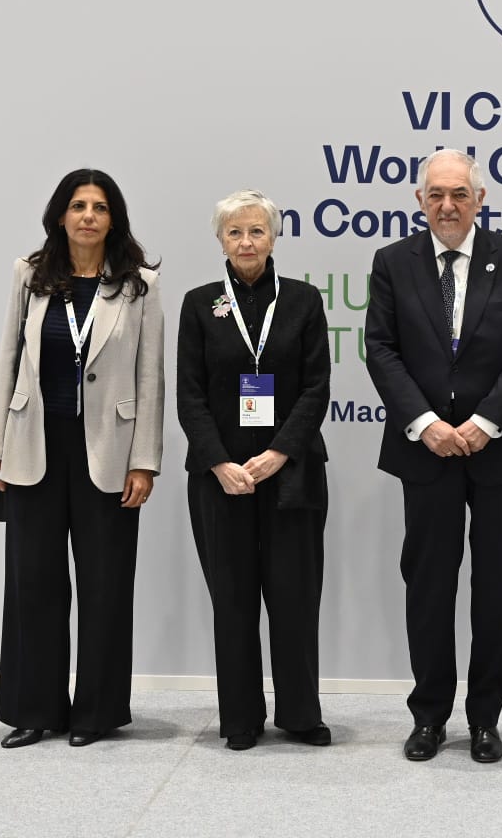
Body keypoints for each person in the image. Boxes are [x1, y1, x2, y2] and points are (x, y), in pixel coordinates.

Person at [363, 149, 502, 764]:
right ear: (420, 200)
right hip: (427, 452)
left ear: (480, 198)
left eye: (459, 195)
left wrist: (482, 422)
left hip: (499, 450)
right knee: (429, 585)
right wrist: (425, 424)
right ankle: (430, 715)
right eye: (436, 195)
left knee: (496, 588)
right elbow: (381, 349)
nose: (447, 206)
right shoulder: (393, 262)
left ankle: (486, 719)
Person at [0, 168, 164, 749]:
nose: (88, 215)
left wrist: (145, 461)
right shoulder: (30, 276)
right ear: (60, 215)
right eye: (78, 205)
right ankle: (34, 710)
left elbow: (150, 376)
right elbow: (7, 358)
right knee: (33, 582)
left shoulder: (140, 285)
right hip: (33, 447)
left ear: (114, 220)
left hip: (109, 454)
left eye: (100, 207)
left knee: (106, 584)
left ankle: (96, 714)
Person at [176, 190, 332, 752]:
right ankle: (240, 717)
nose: (246, 242)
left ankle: (300, 714)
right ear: (220, 240)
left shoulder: (303, 300)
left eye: (256, 232)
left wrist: (279, 453)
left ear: (274, 238)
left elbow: (318, 388)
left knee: (294, 598)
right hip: (220, 479)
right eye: (235, 232)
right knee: (234, 600)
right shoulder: (199, 305)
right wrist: (220, 461)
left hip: (292, 474)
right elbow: (189, 396)